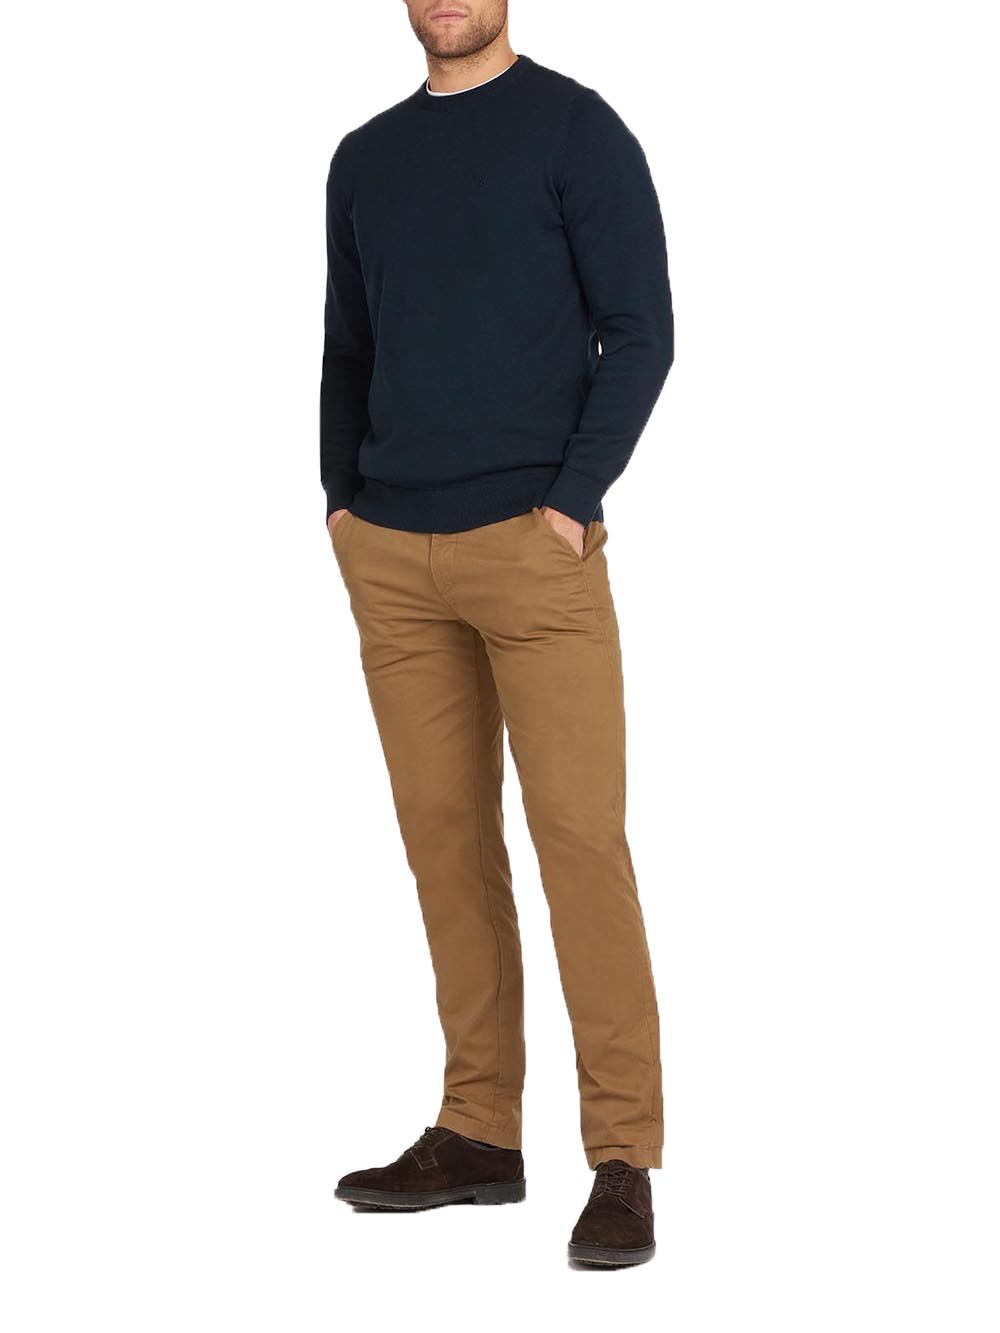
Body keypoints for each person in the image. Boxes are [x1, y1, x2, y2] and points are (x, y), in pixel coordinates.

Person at [322, 0, 673, 1267]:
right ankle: (478, 1130)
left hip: (535, 547)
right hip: (392, 555)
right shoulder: (364, 158)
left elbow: (640, 332)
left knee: (579, 843)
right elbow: (348, 346)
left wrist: (572, 501)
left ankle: (622, 1155)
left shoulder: (576, 131)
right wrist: (341, 500)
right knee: (445, 843)